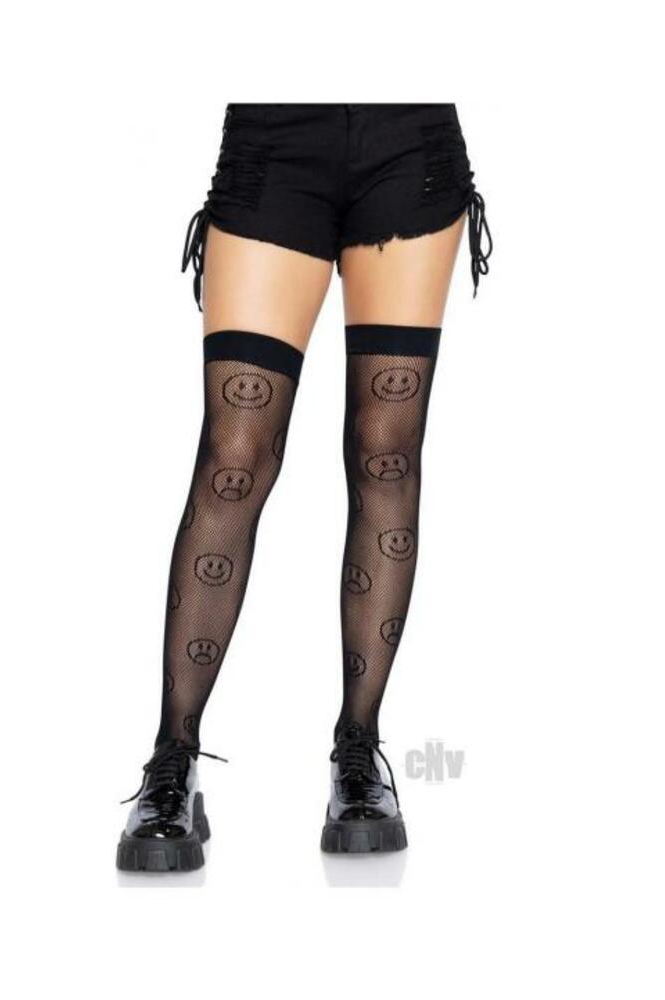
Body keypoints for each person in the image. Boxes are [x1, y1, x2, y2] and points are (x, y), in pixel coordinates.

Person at [116, 104, 491, 872]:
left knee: (385, 453)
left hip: (409, 142)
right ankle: (172, 759)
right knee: (236, 455)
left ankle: (359, 751)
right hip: (277, 139)